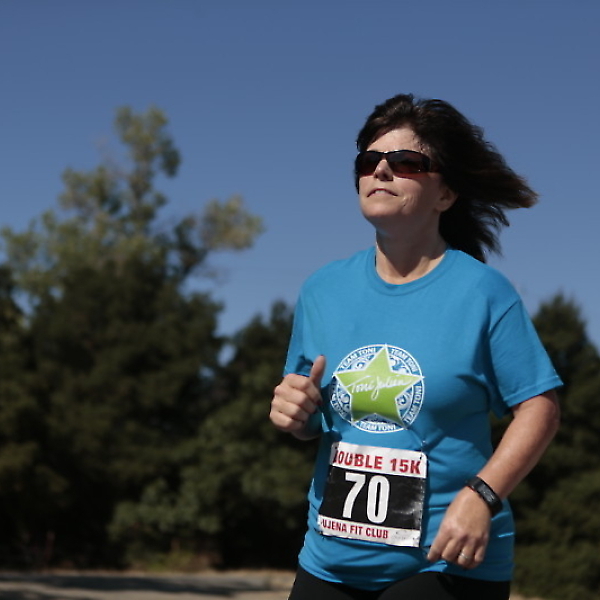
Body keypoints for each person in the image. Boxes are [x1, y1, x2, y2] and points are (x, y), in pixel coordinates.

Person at [269, 94, 562, 600]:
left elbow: (540, 407)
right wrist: (294, 413)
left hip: (445, 562)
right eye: (368, 161)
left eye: (406, 162)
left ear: (445, 194)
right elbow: (312, 414)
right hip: (329, 561)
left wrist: (482, 495)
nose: (380, 170)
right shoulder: (321, 290)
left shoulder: (483, 293)